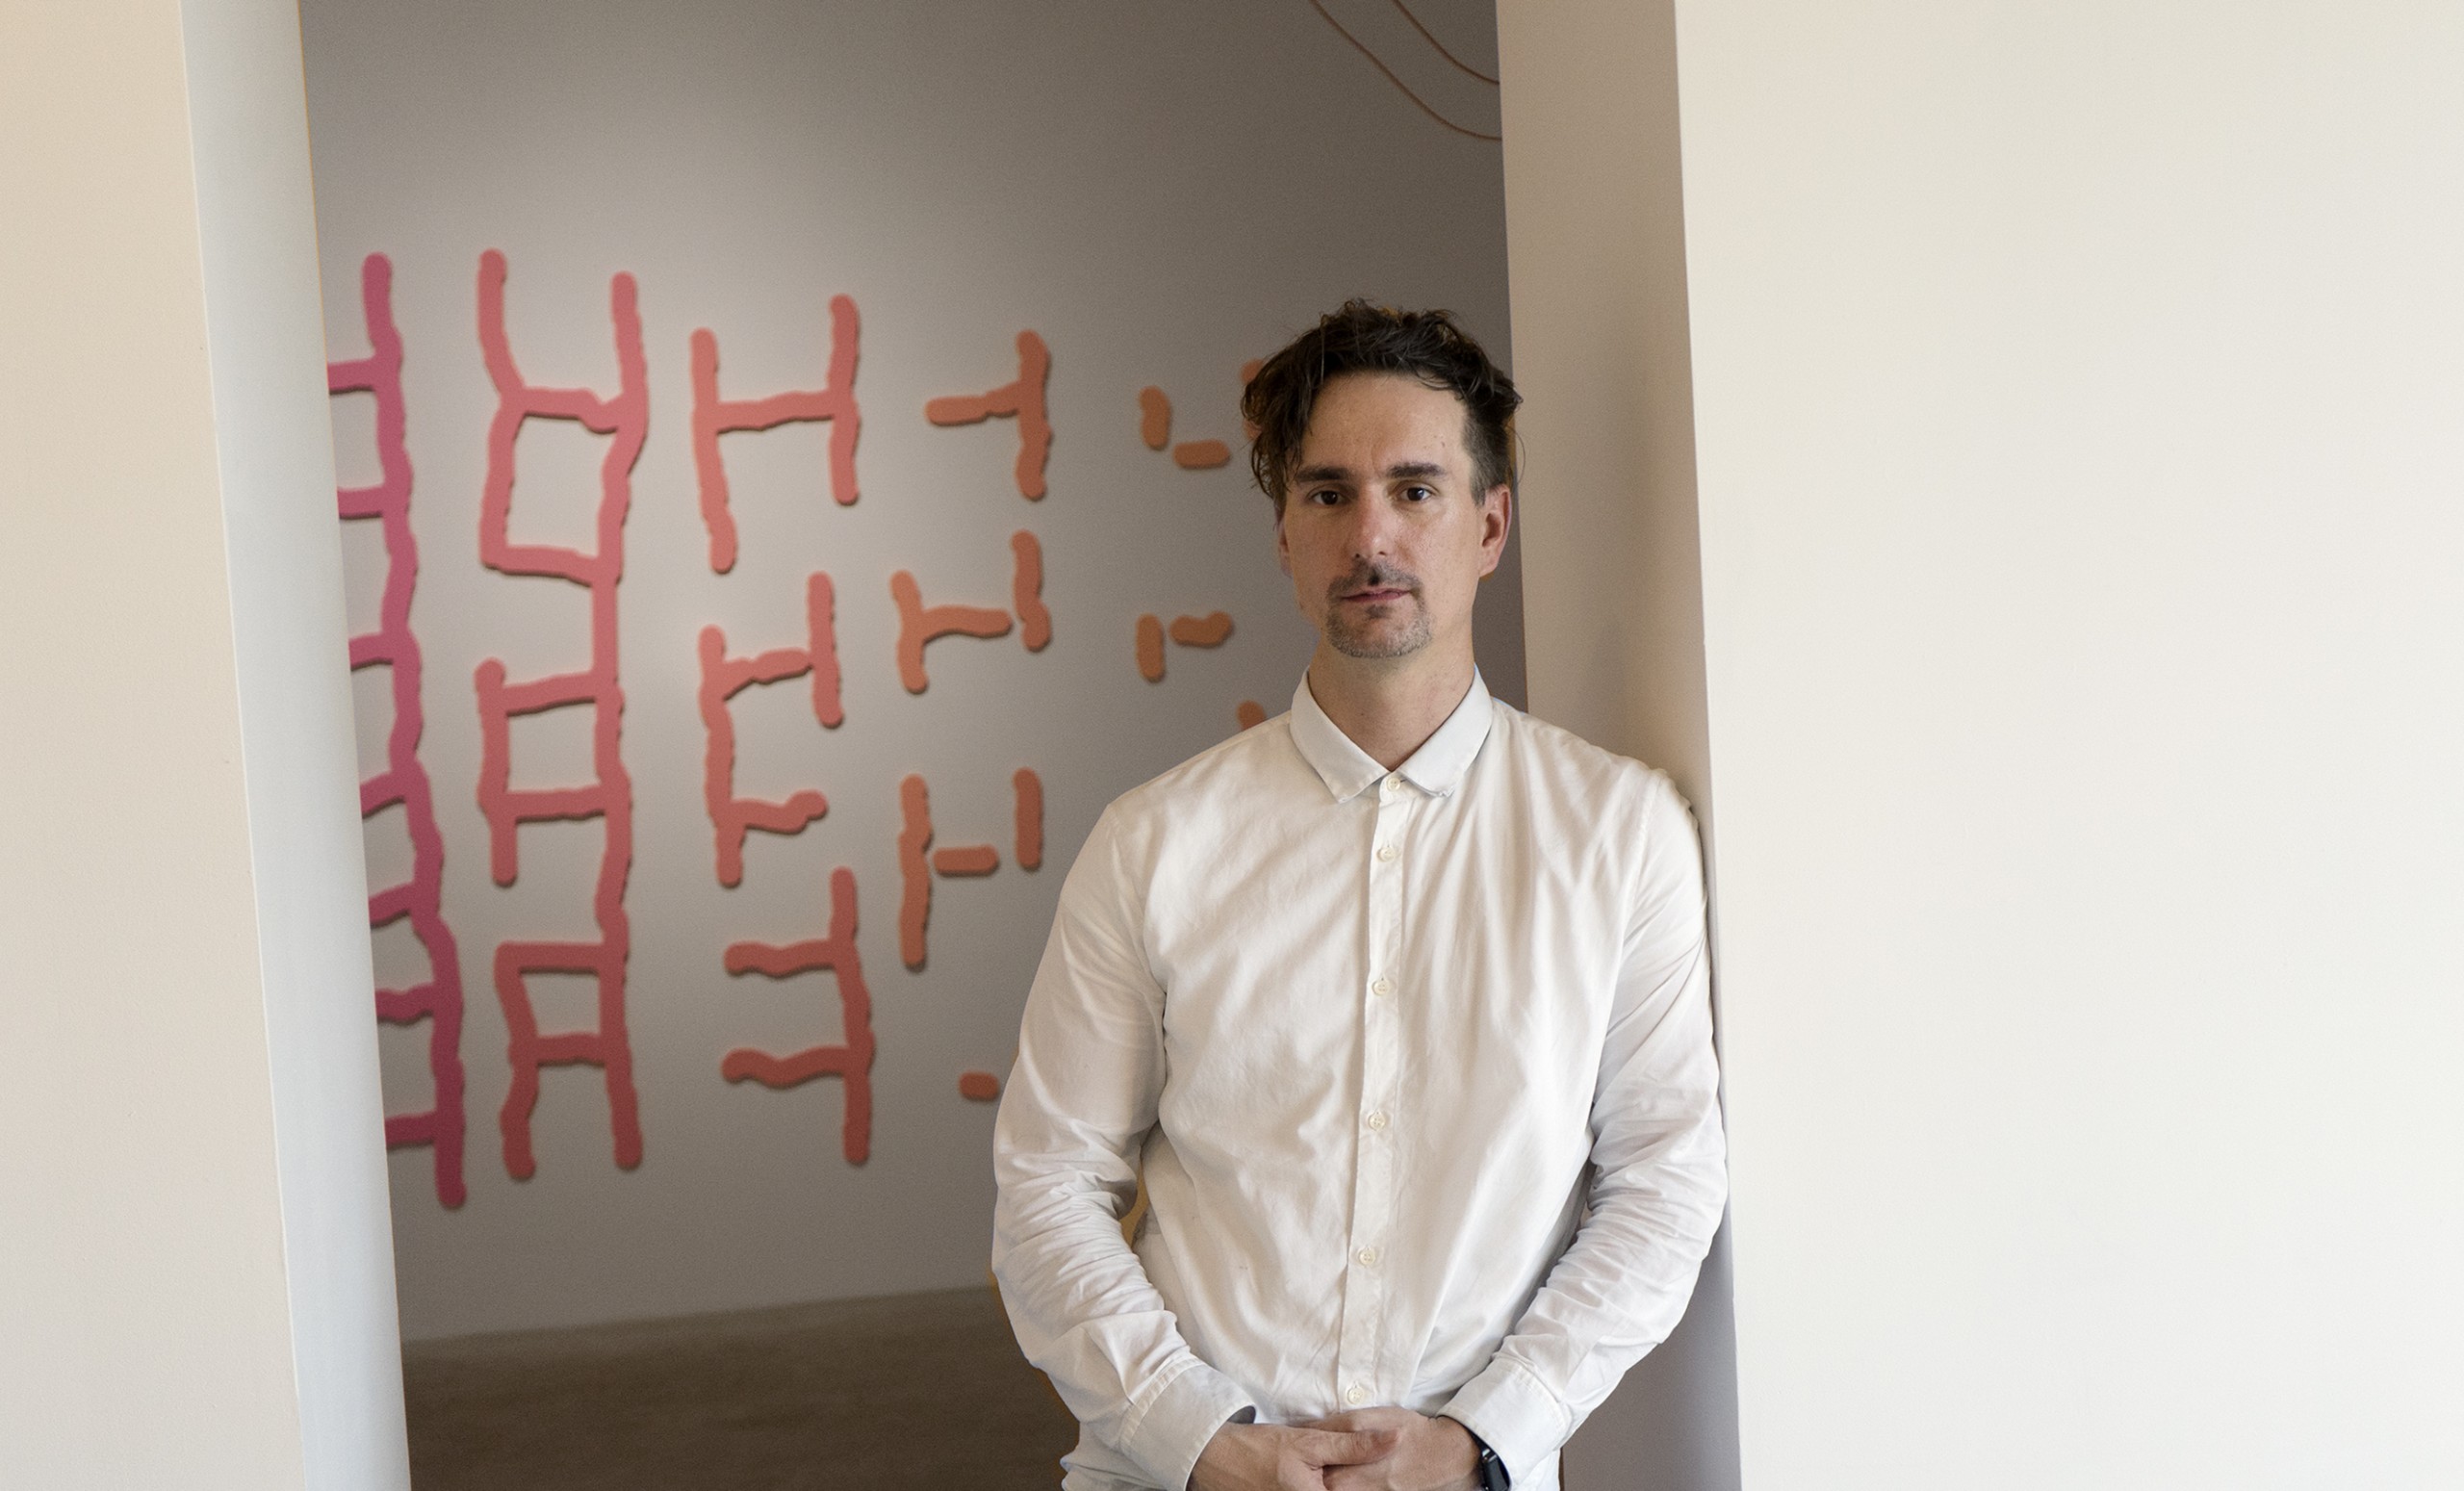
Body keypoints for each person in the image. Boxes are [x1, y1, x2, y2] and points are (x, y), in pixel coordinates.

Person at [991, 301, 1727, 1491]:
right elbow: (1046, 1185)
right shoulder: (1152, 842)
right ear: (1284, 535)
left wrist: (1481, 1437)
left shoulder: (1621, 834)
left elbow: (1665, 1178)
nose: (1369, 535)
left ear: (1490, 525)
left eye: (1415, 490)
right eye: (1328, 493)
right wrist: (1201, 1439)